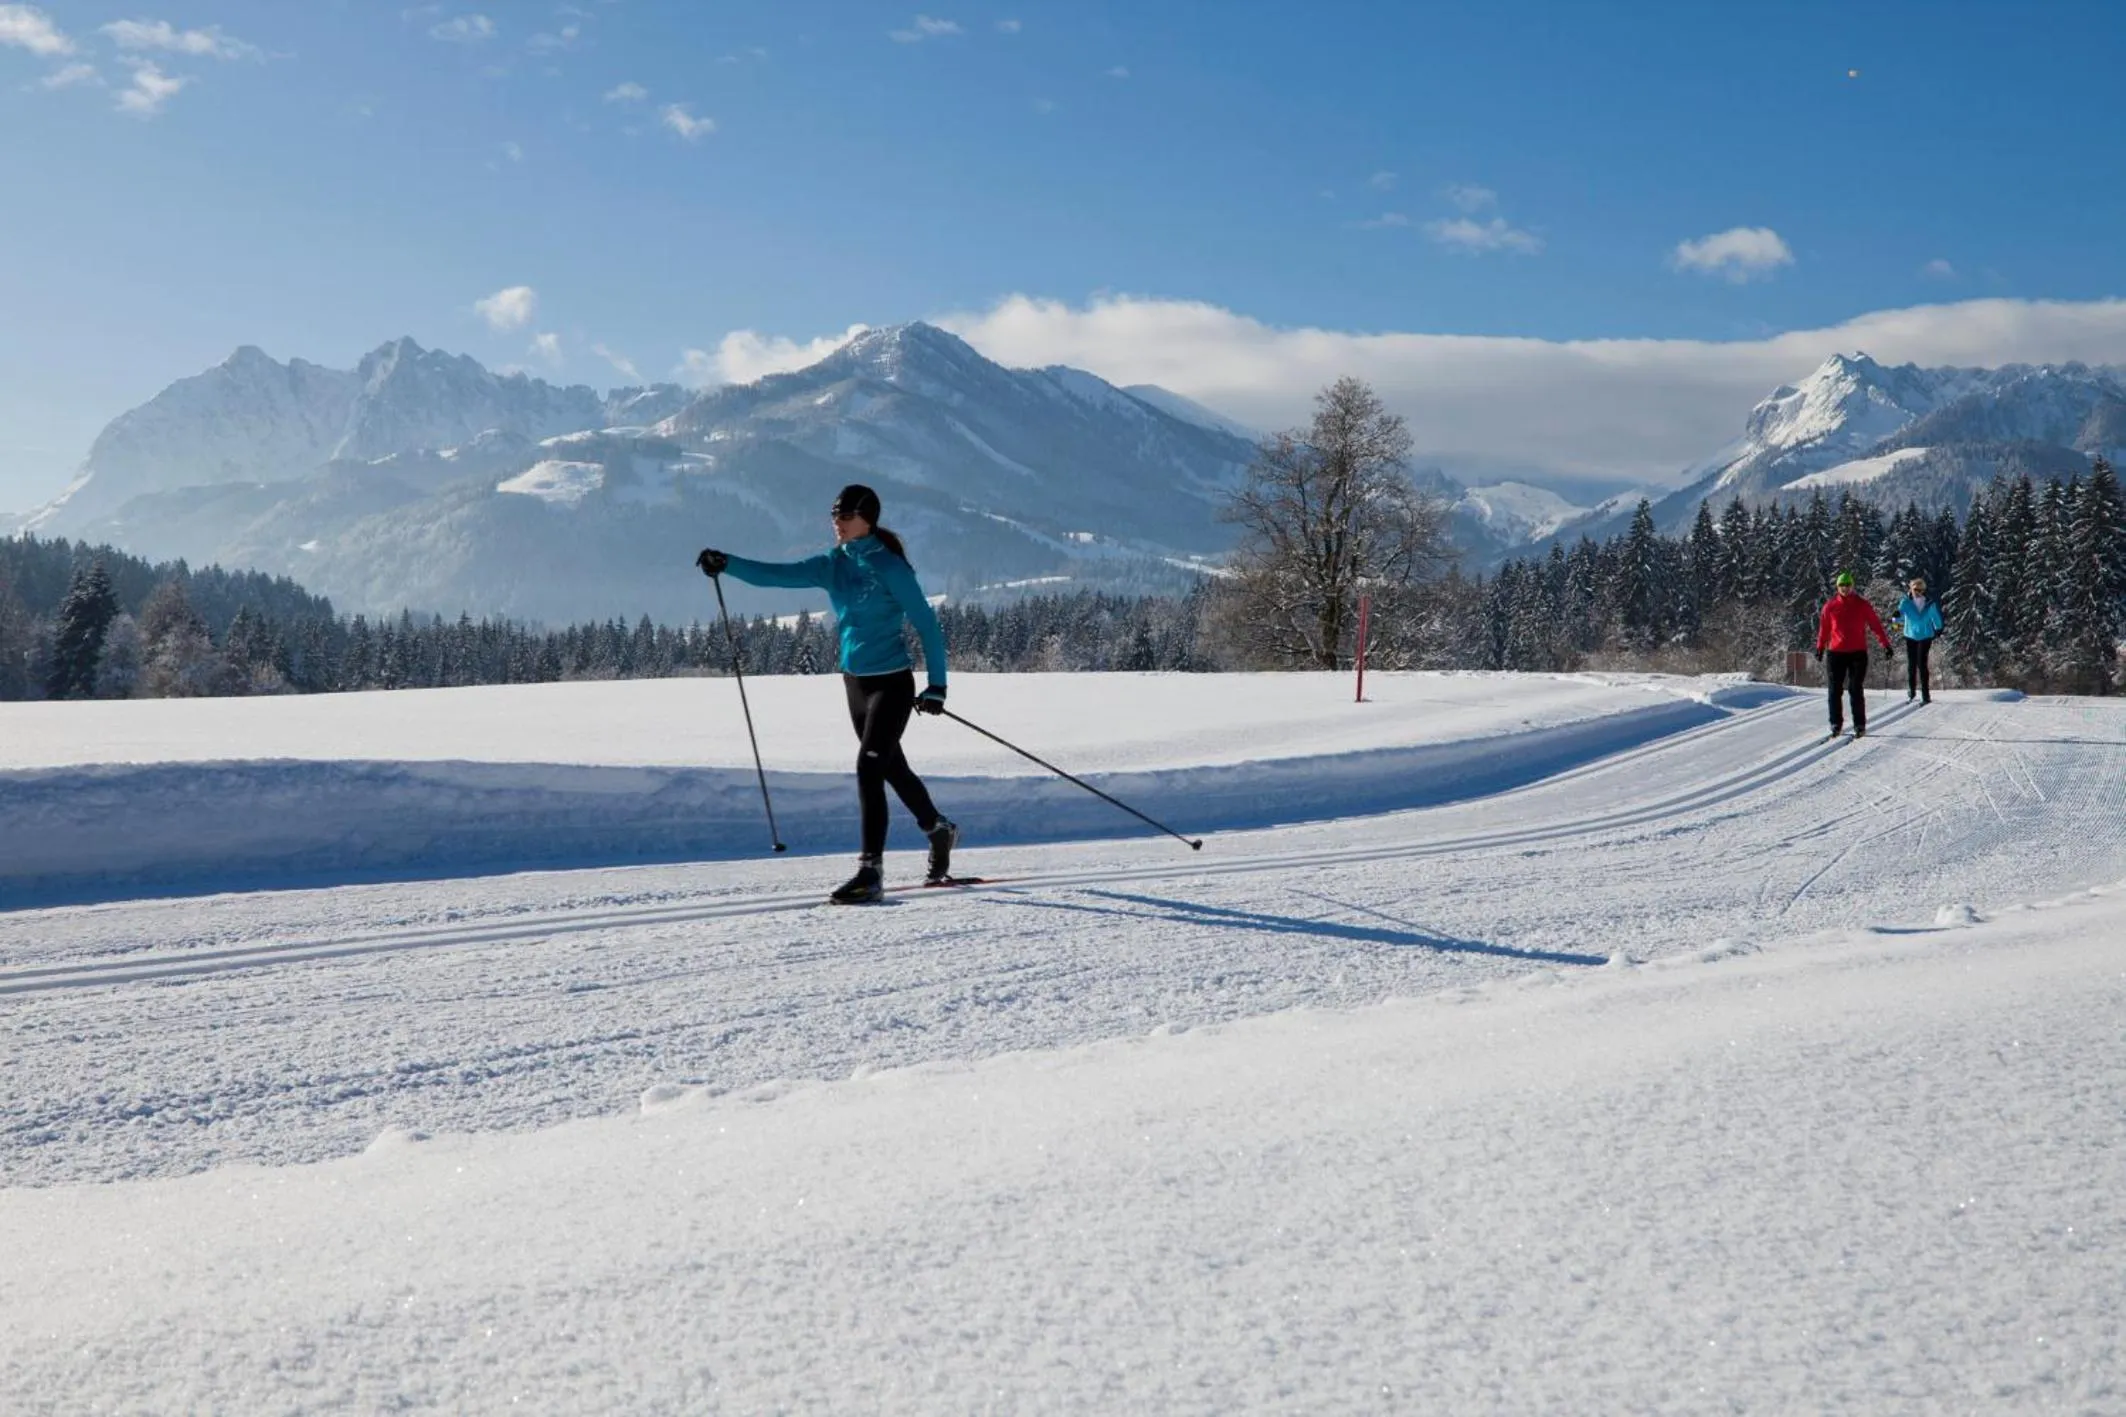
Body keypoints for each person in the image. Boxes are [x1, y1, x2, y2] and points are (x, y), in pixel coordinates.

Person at [696, 483, 957, 903]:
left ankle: (870, 872)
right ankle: (938, 828)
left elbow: (927, 625)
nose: (836, 521)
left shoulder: (891, 567)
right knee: (890, 767)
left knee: (869, 767)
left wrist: (938, 686)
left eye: (845, 515)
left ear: (866, 519)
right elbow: (778, 575)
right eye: (834, 514)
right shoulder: (833, 564)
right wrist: (727, 564)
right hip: (855, 683)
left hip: (892, 682)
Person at [1814, 571, 1892, 739]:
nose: (1845, 588)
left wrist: (1885, 645)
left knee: (1855, 688)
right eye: (1842, 585)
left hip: (1857, 653)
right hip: (1836, 652)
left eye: (1848, 585)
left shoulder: (1862, 605)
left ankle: (1859, 724)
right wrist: (1820, 647)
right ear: (1837, 587)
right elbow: (1824, 629)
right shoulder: (1830, 606)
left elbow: (1875, 625)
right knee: (1834, 689)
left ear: (1852, 586)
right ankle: (1835, 723)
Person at [1893, 575, 1943, 704]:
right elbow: (1898, 615)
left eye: (1921, 590)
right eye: (1916, 589)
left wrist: (1938, 628)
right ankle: (1912, 691)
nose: (1918, 592)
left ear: (1924, 590)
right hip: (1910, 635)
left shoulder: (1929, 603)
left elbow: (1935, 617)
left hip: (1925, 635)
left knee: (1922, 664)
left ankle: (1925, 695)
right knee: (1911, 665)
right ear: (1911, 589)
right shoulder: (1905, 602)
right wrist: (1895, 623)